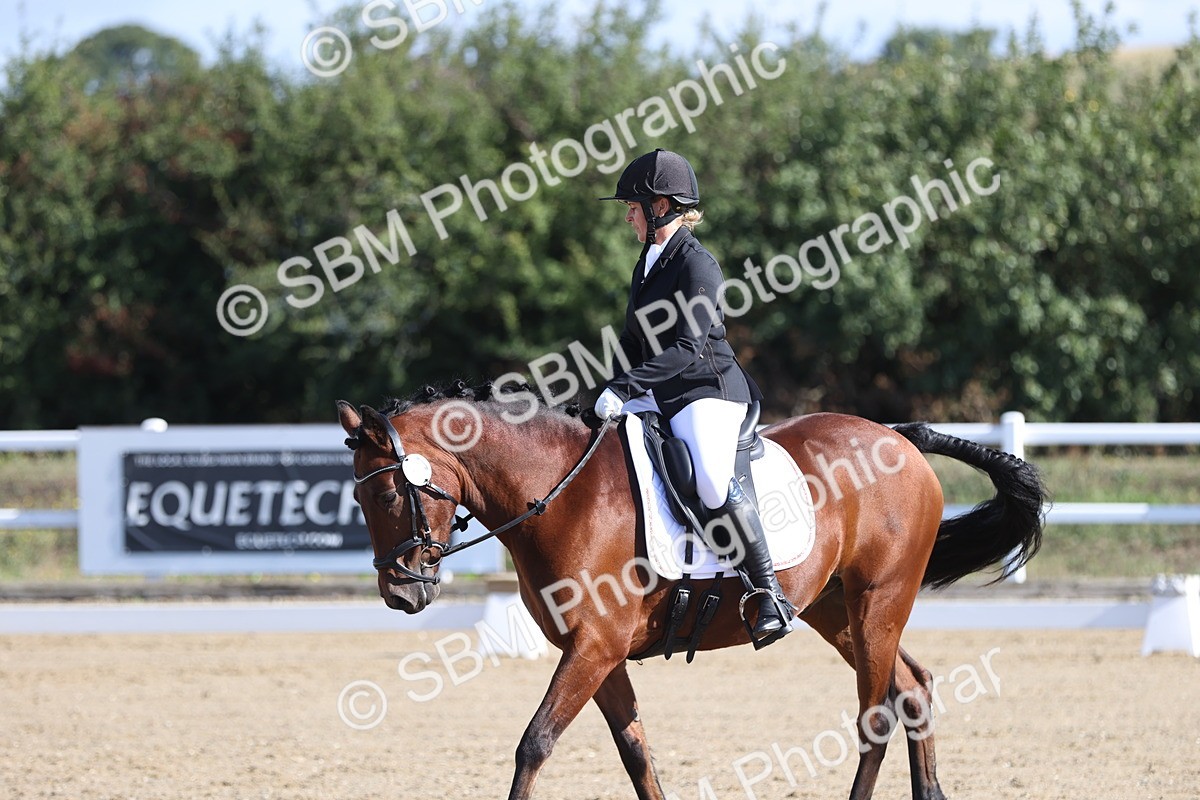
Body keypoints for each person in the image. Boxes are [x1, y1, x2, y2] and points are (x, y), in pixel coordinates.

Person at [595, 148, 794, 645]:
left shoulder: (698, 265)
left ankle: (768, 594)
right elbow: (632, 342)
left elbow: (687, 346)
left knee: (709, 478)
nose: (628, 215)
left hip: (708, 390)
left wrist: (625, 387)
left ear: (662, 206)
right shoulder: (648, 261)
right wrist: (601, 391)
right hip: (662, 391)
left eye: (634, 207)